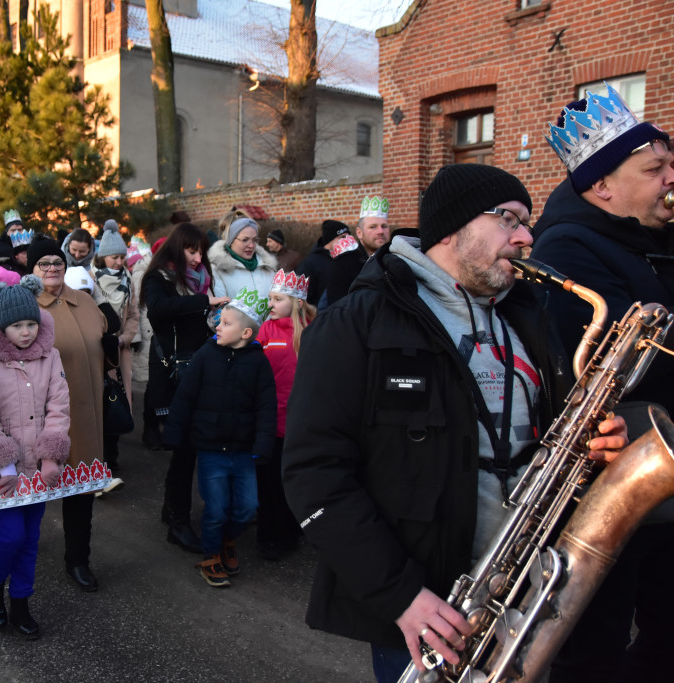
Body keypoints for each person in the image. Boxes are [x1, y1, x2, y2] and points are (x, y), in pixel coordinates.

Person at [281, 163, 629, 683]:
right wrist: (400, 597)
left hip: (527, 592)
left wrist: (597, 443)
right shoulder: (357, 319)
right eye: (508, 218)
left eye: (526, 222)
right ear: (452, 227)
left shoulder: (526, 316)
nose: (527, 236)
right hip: (426, 611)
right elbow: (314, 473)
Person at [533, 84, 674, 683]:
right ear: (602, 187)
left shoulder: (656, 239)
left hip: (659, 475)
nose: (672, 176)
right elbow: (630, 361)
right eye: (656, 167)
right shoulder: (568, 246)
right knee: (594, 647)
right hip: (608, 474)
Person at [0, 276, 70, 640]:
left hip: (39, 469)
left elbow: (58, 405)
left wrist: (51, 455)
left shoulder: (50, 355)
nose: (27, 332)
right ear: (2, 326)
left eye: (31, 324)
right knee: (11, 535)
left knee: (31, 538)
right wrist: (5, 464)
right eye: (17, 326)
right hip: (6, 471)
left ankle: (21, 601)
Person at [163, 297, 276, 587]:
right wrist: (174, 433)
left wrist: (263, 445)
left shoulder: (258, 362)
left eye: (226, 323)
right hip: (211, 447)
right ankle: (212, 555)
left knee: (247, 507)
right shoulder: (206, 354)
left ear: (246, 333)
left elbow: (266, 407)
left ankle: (228, 539)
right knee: (215, 509)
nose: (218, 326)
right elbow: (185, 395)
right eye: (218, 321)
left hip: (244, 450)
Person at [27, 235, 112, 592]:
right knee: (32, 493)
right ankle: (19, 565)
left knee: (81, 492)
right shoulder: (26, 305)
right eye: (43, 263)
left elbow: (106, 337)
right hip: (41, 417)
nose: (52, 268)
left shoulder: (87, 301)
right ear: (31, 269)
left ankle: (77, 559)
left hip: (88, 411)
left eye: (57, 262)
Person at [141, 223, 229, 553]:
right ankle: (177, 521)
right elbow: (160, 311)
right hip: (173, 372)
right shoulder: (159, 277)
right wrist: (202, 301)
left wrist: (215, 310)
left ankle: (172, 512)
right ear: (178, 249)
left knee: (188, 448)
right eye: (191, 251)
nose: (197, 257)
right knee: (183, 448)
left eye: (201, 251)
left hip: (199, 366)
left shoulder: (203, 278)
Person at [255, 269, 314, 560]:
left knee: (297, 480)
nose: (271, 304)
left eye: (278, 299)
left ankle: (293, 529)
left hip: (302, 422)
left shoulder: (314, 329)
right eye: (270, 298)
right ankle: (270, 536)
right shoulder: (266, 329)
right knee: (270, 482)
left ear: (298, 302)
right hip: (270, 420)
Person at [94, 219, 138, 471]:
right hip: (98, 351)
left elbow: (133, 315)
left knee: (117, 403)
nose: (119, 262)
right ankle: (97, 459)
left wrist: (124, 338)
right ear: (103, 258)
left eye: (122, 257)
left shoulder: (128, 280)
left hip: (120, 353)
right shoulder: (91, 280)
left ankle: (112, 457)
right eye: (113, 257)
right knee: (99, 404)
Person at [322, 196, 392, 308]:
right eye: (373, 227)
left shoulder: (396, 261)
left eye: (384, 226)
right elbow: (336, 310)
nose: (380, 231)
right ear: (359, 233)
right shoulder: (343, 265)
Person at [208, 216, 277, 323]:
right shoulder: (218, 269)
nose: (251, 245)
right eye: (245, 240)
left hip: (270, 333)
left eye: (255, 240)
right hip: (239, 336)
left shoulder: (267, 266)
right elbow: (220, 311)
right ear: (231, 240)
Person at [295, 219, 350, 305]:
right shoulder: (310, 263)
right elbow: (301, 297)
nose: (347, 241)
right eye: (342, 237)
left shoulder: (349, 259)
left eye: (349, 237)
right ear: (330, 239)